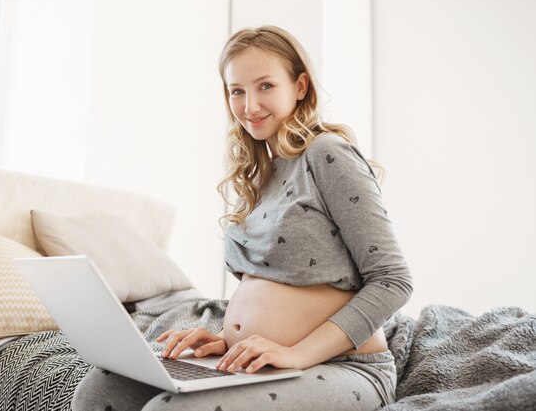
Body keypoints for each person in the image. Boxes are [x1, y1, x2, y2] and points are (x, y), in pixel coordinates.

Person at [73, 25, 413, 411]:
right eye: (237, 91)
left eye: (265, 86)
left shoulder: (326, 154)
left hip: (342, 365)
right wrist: (225, 339)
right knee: (100, 390)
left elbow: (394, 281)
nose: (250, 106)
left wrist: (297, 354)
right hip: (259, 362)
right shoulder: (258, 173)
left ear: (300, 86)